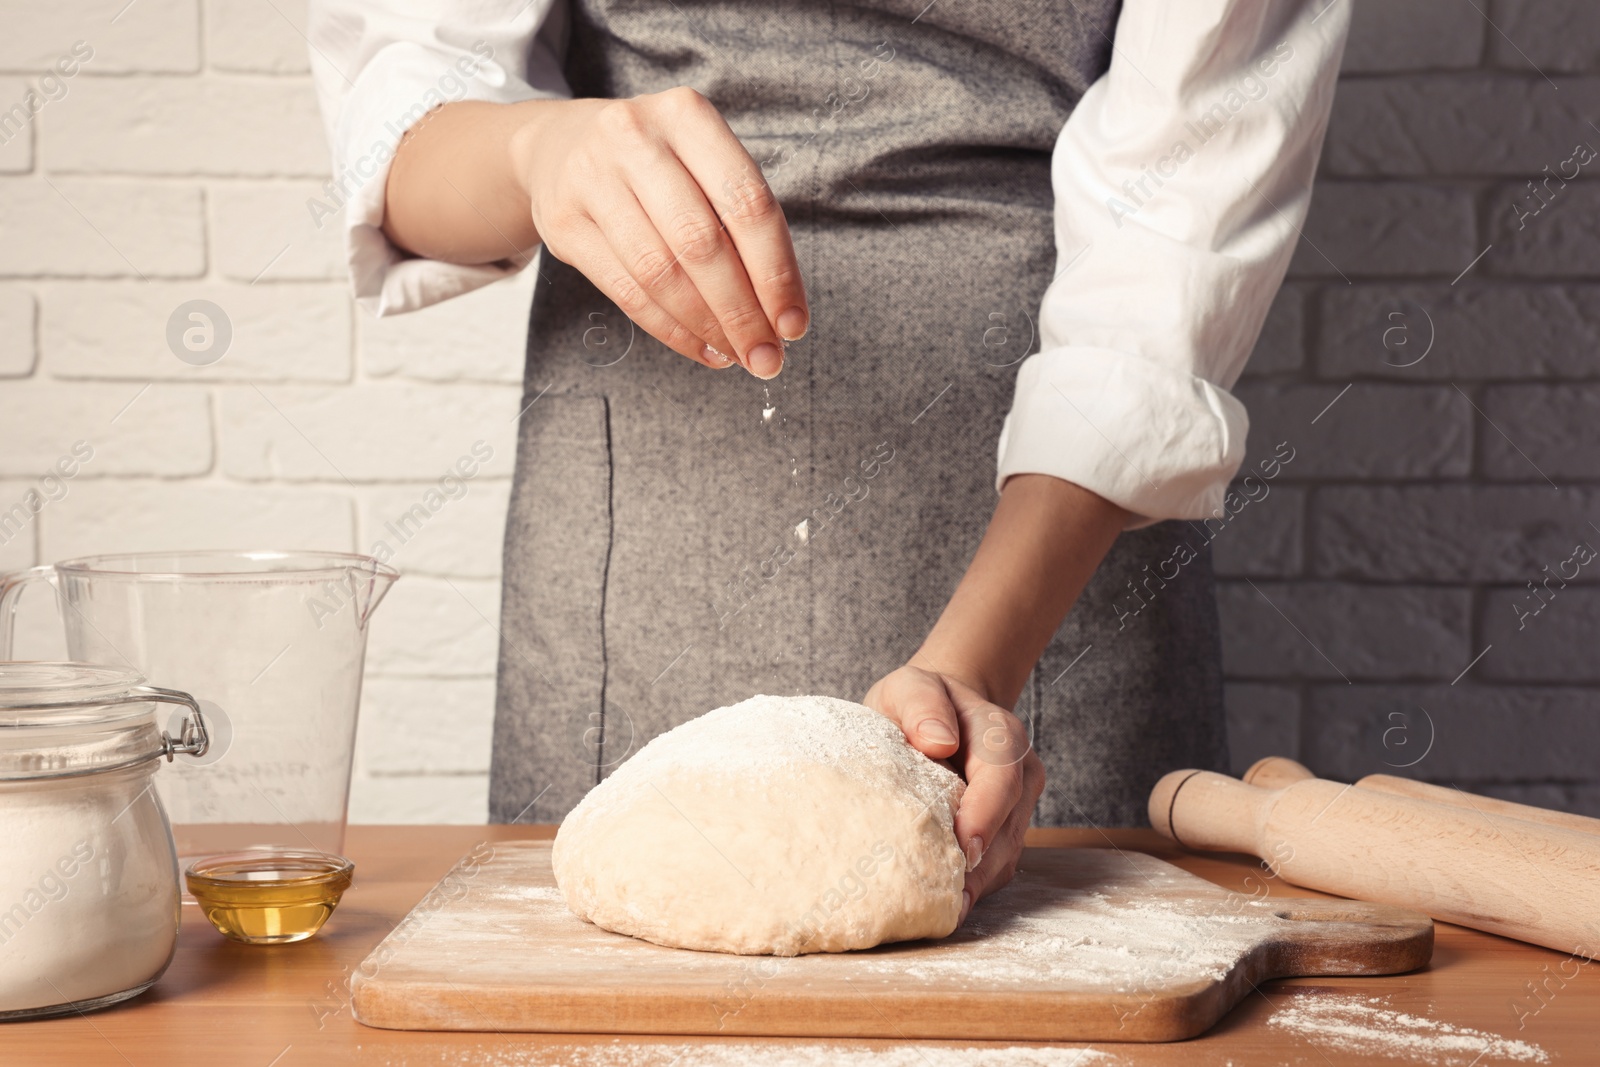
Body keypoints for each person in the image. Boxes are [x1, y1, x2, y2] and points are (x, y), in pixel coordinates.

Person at [309, 0, 1350, 921]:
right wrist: (537, 152)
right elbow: (399, 141)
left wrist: (972, 670)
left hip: (1060, 516)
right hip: (647, 516)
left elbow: (1178, 217)